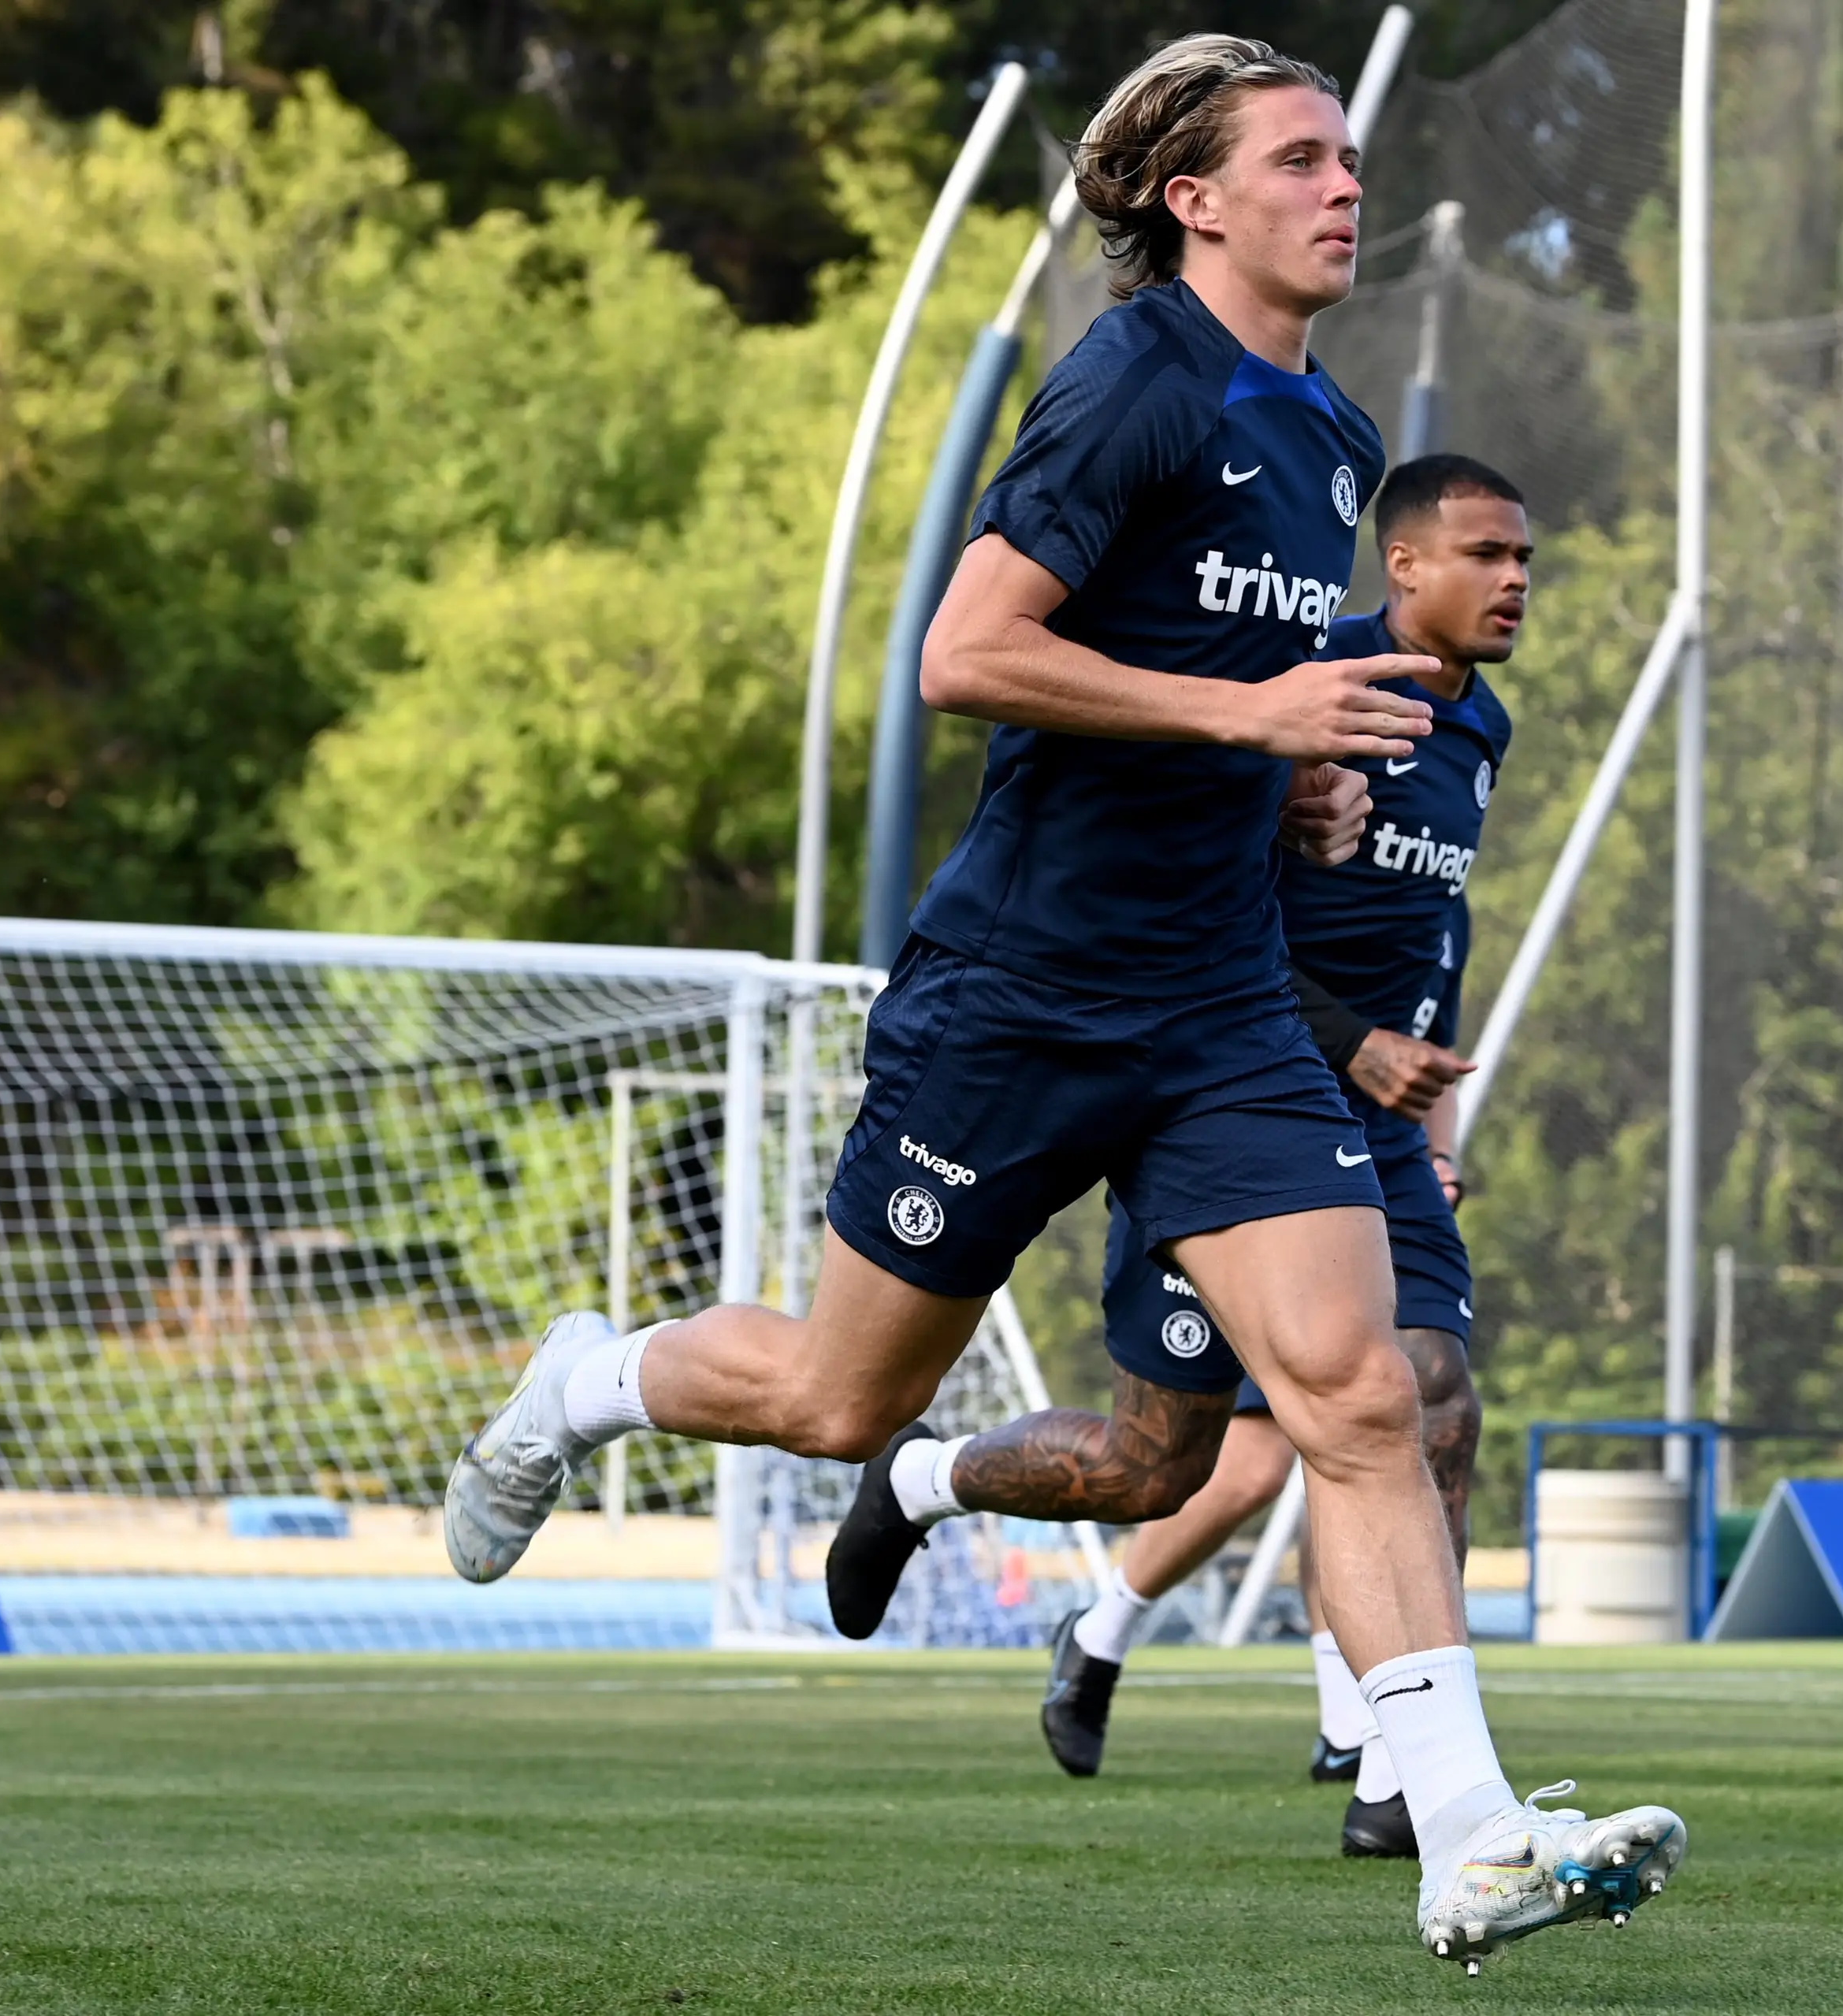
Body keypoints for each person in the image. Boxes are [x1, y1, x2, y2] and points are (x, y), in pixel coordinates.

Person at [438, 35, 1681, 1971]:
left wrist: (1294, 774)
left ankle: (1468, 1835)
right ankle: (587, 1380)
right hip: (1019, 994)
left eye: (1351, 158)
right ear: (1194, 199)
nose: (1343, 187)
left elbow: (1219, 682)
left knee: (1361, 1394)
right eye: (1299, 159)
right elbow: (966, 651)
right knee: (841, 1399)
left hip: (1215, 1011)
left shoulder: (1336, 439)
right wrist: (1251, 716)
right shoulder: (1128, 385)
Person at [869, 456, 1529, 1873]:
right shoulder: (1315, 675)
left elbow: (1440, 947)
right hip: (1239, 1084)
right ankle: (930, 1477)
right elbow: (1201, 894)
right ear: (1400, 568)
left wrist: (1433, 1118)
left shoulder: (1483, 734)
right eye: (1486, 551)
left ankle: (1395, 1767)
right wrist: (1346, 1042)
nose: (1517, 578)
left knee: (1422, 1402)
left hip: (1374, 1125)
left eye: (1525, 555)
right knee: (1160, 1464)